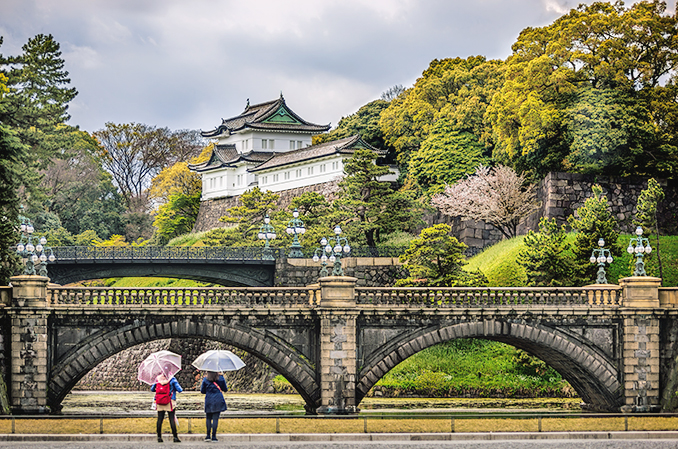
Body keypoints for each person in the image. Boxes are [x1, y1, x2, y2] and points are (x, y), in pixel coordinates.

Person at [151, 373, 183, 443]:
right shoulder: (172, 379)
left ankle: (159, 437)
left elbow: (152, 389)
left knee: (160, 419)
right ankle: (175, 437)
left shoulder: (158, 379)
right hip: (170, 401)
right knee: (171, 419)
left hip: (160, 401)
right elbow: (180, 390)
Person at [200, 371, 228, 442]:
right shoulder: (221, 378)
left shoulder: (206, 379)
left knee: (208, 418)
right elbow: (225, 389)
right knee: (215, 419)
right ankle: (214, 436)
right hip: (218, 399)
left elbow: (202, 391)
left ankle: (208, 436)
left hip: (209, 399)